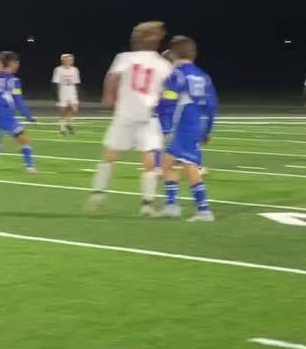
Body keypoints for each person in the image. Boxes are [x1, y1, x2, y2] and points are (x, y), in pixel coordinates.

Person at [86, 21, 173, 215]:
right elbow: (168, 90)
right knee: (148, 162)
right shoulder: (162, 64)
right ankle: (146, 204)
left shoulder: (125, 58)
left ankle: (99, 194)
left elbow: (112, 77)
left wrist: (108, 96)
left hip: (127, 113)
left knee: (111, 156)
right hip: (146, 115)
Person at [157, 36, 218, 222]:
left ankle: (204, 210)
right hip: (196, 124)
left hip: (182, 126)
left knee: (189, 165)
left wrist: (164, 128)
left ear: (174, 53)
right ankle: (171, 205)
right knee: (167, 163)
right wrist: (207, 129)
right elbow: (211, 105)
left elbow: (168, 102)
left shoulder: (177, 75)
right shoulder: (203, 76)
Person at [0, 52, 37, 173]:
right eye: (17, 62)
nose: (18, 65)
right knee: (23, 138)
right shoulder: (13, 80)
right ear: (12, 63)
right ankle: (30, 166)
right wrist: (28, 116)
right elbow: (18, 100)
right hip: (3, 113)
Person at [51, 53, 82, 135]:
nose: (70, 61)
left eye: (72, 60)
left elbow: (77, 83)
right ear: (63, 60)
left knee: (74, 109)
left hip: (72, 92)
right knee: (63, 112)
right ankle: (62, 129)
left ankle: (68, 123)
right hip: (63, 92)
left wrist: (78, 95)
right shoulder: (58, 70)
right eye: (68, 59)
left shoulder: (75, 70)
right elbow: (54, 84)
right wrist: (56, 97)